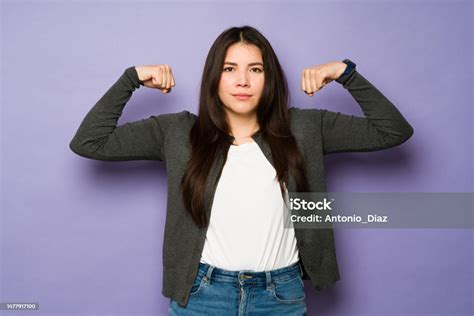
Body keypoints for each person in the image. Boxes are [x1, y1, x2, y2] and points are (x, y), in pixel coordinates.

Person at [69, 25, 413, 315]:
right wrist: (130, 79)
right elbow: (90, 142)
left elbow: (393, 131)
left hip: (281, 295)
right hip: (202, 295)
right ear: (214, 78)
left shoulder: (306, 128)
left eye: (256, 69)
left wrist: (345, 73)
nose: (243, 81)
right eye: (230, 68)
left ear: (270, 78)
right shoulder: (177, 132)